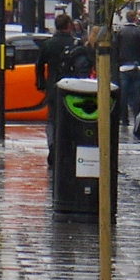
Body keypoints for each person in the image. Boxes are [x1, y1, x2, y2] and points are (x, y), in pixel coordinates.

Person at [37, 13, 89, 167]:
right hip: (72, 88)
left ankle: (53, 146)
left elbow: (39, 64)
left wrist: (41, 83)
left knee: (52, 119)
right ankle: (67, 150)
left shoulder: (48, 44)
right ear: (69, 26)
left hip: (53, 87)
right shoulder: (76, 44)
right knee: (71, 119)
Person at [114, 9, 140, 136]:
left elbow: (116, 49)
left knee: (123, 95)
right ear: (135, 18)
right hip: (138, 67)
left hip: (124, 68)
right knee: (136, 95)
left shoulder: (121, 32)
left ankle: (124, 119)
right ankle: (137, 118)